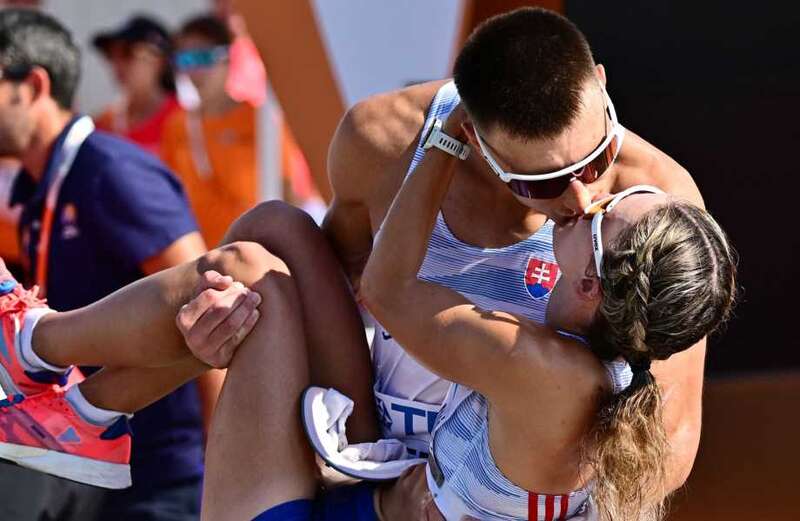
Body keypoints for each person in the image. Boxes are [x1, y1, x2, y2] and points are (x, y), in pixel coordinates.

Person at [0, 163, 735, 521]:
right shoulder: (621, 355)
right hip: (375, 491)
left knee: (250, 280)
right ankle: (81, 414)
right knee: (278, 228)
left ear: (594, 289)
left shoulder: (543, 368)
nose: (579, 204)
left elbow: (387, 292)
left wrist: (448, 130)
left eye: (596, 216)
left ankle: (37, 346)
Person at [0, 9, 214, 521]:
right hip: (93, 460)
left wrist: (229, 463)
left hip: (167, 477)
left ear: (32, 86)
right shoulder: (38, 190)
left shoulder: (110, 170)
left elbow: (214, 295)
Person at [161, 15, 258, 247]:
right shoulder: (176, 125)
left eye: (203, 57)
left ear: (228, 57)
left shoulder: (259, 119)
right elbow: (171, 200)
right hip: (204, 258)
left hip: (259, 249)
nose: (195, 71)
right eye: (185, 60)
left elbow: (287, 189)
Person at [92, 15, 180, 156]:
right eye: (110, 54)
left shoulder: (186, 118)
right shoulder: (103, 125)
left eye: (128, 52)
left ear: (159, 60)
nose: (117, 63)